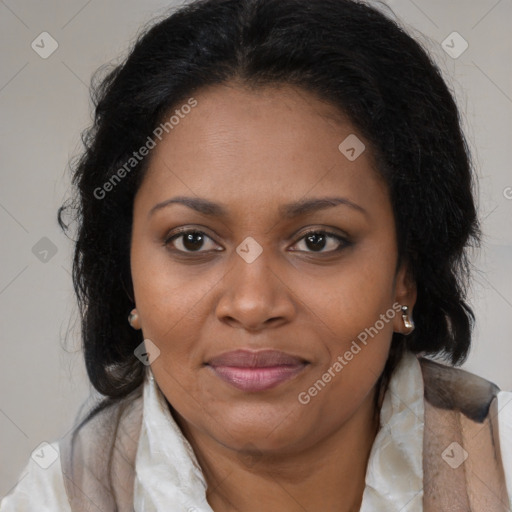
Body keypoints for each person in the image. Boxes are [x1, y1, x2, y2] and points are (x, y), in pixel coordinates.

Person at [2, 0, 511, 510]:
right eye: (193, 240)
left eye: (317, 240)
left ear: (406, 273)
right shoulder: (52, 499)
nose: (251, 304)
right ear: (127, 274)